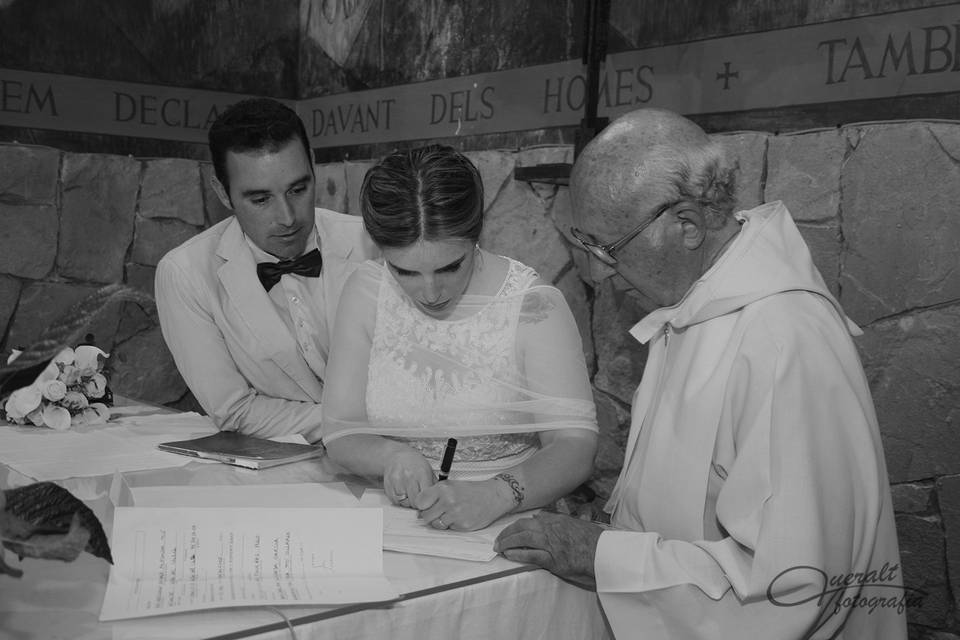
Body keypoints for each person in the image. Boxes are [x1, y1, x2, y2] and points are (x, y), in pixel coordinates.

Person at [495, 108, 907, 639]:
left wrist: (601, 555)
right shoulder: (700, 303)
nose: (596, 272)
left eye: (606, 248)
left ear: (686, 225)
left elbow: (790, 586)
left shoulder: (783, 341)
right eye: (584, 246)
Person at [320, 145, 599, 532]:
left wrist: (497, 495)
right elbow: (341, 429)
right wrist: (390, 456)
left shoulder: (533, 306)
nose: (431, 292)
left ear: (476, 235)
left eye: (450, 266)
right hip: (397, 522)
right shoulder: (366, 292)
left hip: (508, 521)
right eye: (405, 272)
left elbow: (574, 445)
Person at [156, 98, 377, 440]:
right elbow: (234, 410)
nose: (288, 217)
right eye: (260, 200)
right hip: (278, 474)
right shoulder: (185, 274)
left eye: (298, 189)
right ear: (223, 193)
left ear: (314, 165)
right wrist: (358, 428)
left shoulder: (372, 242)